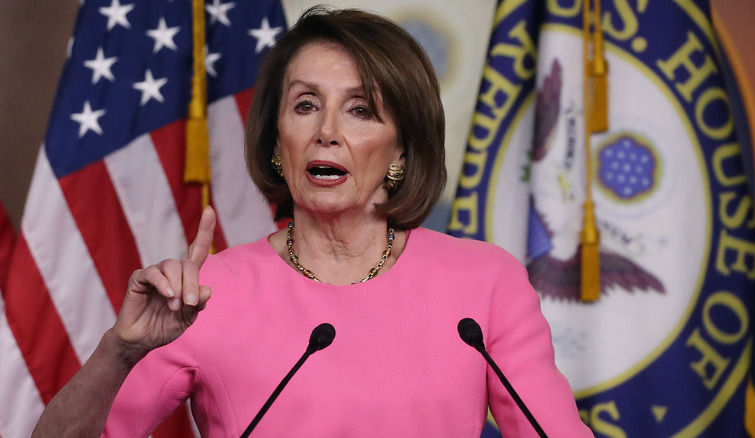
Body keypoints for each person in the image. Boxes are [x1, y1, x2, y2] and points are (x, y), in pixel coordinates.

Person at [33, 6, 592, 437]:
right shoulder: (207, 295)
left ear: (401, 151)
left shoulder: (484, 282)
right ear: (279, 144)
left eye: (360, 109)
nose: (327, 130)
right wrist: (120, 351)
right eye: (305, 105)